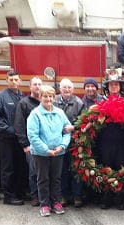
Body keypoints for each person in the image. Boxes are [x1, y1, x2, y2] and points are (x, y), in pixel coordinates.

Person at [27, 85, 71, 217]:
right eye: (45, 96)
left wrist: (62, 146)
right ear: (40, 97)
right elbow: (33, 136)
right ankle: (45, 204)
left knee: (56, 178)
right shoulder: (35, 114)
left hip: (58, 152)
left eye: (51, 96)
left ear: (54, 98)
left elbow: (67, 130)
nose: (48, 99)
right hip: (41, 154)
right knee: (43, 179)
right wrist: (46, 150)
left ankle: (56, 202)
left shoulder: (60, 113)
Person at [96, 71, 124, 210]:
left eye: (116, 84)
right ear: (107, 87)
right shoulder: (100, 102)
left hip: (121, 142)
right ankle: (106, 198)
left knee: (120, 169)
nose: (114, 87)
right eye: (111, 84)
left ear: (120, 86)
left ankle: (120, 198)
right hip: (105, 142)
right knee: (106, 169)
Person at [0, 70, 26, 206]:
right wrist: (11, 131)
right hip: (6, 139)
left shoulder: (22, 97)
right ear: (7, 81)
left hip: (19, 139)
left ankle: (18, 192)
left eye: (16, 80)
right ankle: (9, 196)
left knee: (19, 166)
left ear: (20, 81)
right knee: (8, 167)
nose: (14, 82)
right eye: (11, 80)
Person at [54, 78, 84, 208]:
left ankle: (77, 196)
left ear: (73, 89)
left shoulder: (79, 103)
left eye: (69, 88)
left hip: (74, 142)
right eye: (64, 87)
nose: (67, 90)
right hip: (57, 141)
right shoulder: (53, 101)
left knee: (76, 169)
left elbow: (84, 122)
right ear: (60, 89)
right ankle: (63, 196)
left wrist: (73, 128)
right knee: (61, 170)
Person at [14, 77, 42, 207]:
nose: (37, 86)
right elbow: (19, 125)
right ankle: (35, 196)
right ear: (30, 87)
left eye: (39, 84)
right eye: (35, 84)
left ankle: (45, 195)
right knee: (34, 171)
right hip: (31, 145)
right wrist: (25, 145)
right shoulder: (23, 103)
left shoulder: (46, 101)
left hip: (46, 144)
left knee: (46, 172)